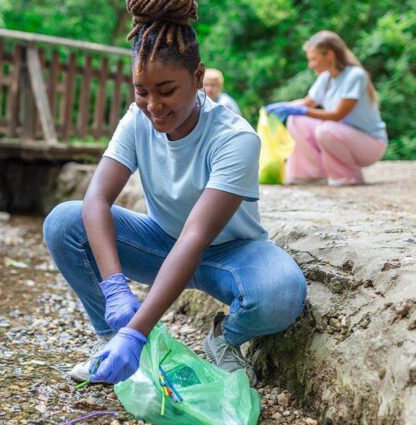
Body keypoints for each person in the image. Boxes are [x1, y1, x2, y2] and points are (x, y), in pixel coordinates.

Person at [43, 0, 306, 386]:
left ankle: (222, 339)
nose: (153, 106)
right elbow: (97, 199)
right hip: (161, 242)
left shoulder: (235, 138)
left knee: (281, 293)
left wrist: (140, 330)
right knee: (64, 221)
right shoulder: (137, 119)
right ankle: (111, 341)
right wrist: (115, 289)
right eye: (142, 91)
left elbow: (197, 236)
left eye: (166, 91)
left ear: (198, 77)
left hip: (231, 253)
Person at [265, 31, 387, 186]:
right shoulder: (326, 78)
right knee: (296, 121)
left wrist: (304, 111)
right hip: (340, 135)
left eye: (314, 59)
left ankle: (347, 177)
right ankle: (311, 174)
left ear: (329, 55)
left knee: (326, 130)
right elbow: (307, 103)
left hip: (370, 143)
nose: (311, 65)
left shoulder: (355, 76)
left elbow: (337, 115)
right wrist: (282, 107)